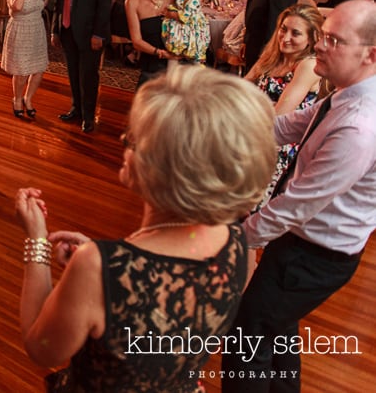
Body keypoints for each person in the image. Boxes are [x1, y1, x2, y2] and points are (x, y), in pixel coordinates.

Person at [17, 66, 276, 392]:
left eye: (137, 141)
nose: (124, 145)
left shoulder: (98, 266)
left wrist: (37, 242)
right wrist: (108, 274)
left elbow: (41, 349)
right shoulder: (239, 244)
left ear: (170, 171)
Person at [222, 0, 376, 393]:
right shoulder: (348, 94)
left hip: (315, 256)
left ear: (370, 55)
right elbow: (290, 125)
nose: (320, 45)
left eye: (335, 40)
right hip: (301, 243)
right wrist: (222, 127)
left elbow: (296, 206)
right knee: (277, 330)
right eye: (323, 35)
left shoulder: (359, 127)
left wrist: (234, 240)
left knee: (247, 338)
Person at [243, 4, 323, 211]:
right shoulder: (272, 56)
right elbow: (240, 88)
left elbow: (280, 114)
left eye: (295, 33)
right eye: (283, 29)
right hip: (252, 133)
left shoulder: (308, 65)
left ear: (312, 38)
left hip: (277, 146)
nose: (285, 37)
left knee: (249, 215)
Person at [51, 0, 111, 133]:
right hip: (67, 32)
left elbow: (104, 6)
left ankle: (88, 117)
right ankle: (76, 109)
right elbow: (57, 5)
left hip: (90, 36)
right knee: (73, 75)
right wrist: (55, 30)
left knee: (88, 77)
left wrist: (98, 34)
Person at [1, 0, 49, 119]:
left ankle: (28, 99)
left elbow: (42, 5)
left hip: (37, 31)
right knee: (21, 71)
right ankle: (17, 99)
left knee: (38, 69)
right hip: (20, 32)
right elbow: (17, 8)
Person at [126, 0, 179, 88]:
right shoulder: (132, 2)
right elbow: (136, 42)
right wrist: (160, 53)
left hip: (179, 63)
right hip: (152, 63)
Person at [161, 0, 210, 64]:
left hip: (193, 27)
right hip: (183, 27)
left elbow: (185, 16)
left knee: (194, 49)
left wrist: (169, 14)